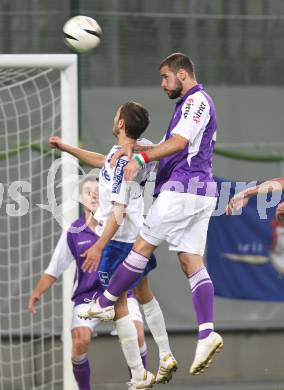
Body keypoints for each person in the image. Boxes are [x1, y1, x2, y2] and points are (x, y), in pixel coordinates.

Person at [83, 52, 224, 376]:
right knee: (191, 261)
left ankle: (104, 303)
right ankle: (206, 333)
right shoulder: (185, 107)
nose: (162, 84)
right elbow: (166, 144)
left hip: (184, 189)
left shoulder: (196, 101)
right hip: (200, 192)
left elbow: (177, 143)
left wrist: (141, 159)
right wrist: (136, 151)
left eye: (165, 77)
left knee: (142, 247)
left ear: (182, 75)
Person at [49, 101, 177, 389]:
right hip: (135, 235)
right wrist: (68, 148)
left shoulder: (124, 163)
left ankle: (138, 374)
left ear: (120, 124)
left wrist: (98, 246)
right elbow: (101, 159)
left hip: (118, 241)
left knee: (118, 303)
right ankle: (166, 354)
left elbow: (117, 212)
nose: (114, 115)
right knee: (143, 293)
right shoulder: (129, 150)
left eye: (116, 112)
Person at [28, 175, 148, 390]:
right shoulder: (73, 231)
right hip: (87, 296)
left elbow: (138, 260)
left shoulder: (119, 224)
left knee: (137, 334)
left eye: (98, 190)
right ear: (80, 198)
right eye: (88, 191)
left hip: (121, 294)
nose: (94, 194)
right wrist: (37, 292)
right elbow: (53, 270)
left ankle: (140, 384)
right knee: (80, 341)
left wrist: (141, 288)